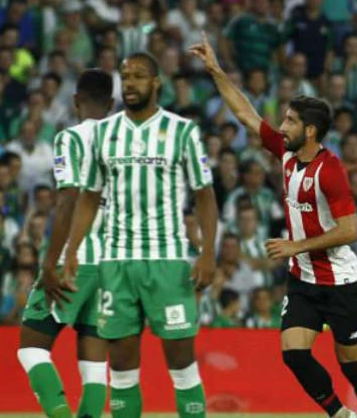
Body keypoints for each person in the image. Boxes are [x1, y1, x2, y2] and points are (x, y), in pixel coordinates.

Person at [191, 34, 357, 418]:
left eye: (290, 121)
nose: (281, 127)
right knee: (294, 354)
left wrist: (296, 246)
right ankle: (341, 415)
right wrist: (216, 71)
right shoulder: (286, 152)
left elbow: (350, 230)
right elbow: (246, 115)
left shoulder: (330, 170)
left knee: (352, 365)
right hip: (303, 281)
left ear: (310, 131)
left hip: (341, 283)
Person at [64, 52, 217, 418]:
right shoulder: (103, 133)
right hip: (116, 261)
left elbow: (204, 195)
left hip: (167, 260)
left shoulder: (182, 131)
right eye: (125, 76)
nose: (130, 83)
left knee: (181, 360)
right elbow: (89, 196)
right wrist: (72, 249)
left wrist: (208, 252)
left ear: (156, 83)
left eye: (138, 76)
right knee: (121, 366)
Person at [15, 69, 114, 418]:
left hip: (76, 257)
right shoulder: (126, 144)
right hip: (112, 264)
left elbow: (69, 199)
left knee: (32, 348)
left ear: (75, 100)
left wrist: (49, 262)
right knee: (94, 360)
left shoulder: (70, 138)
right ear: (112, 104)